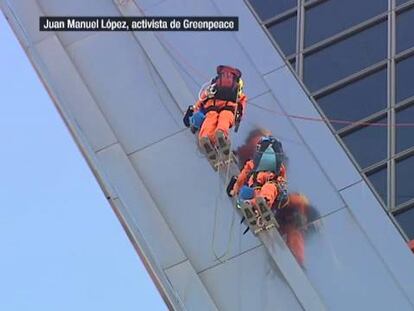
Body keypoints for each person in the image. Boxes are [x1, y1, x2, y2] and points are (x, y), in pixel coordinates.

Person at [185, 65, 247, 158]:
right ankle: (221, 134)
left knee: (210, 120)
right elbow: (242, 105)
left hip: (212, 106)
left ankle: (205, 137)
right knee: (225, 119)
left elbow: (202, 98)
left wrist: (195, 108)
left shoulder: (213, 86)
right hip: (229, 107)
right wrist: (238, 117)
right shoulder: (238, 91)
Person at [230, 136, 287, 212]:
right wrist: (236, 188)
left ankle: (261, 204)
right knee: (264, 190)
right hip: (254, 188)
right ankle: (255, 205)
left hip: (264, 190)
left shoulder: (279, 171)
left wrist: (282, 189)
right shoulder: (252, 164)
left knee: (269, 188)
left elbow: (282, 182)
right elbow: (243, 176)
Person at [276, 193, 309, 266]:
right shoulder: (293, 201)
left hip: (291, 222)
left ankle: (297, 260)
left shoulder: (295, 200)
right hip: (285, 221)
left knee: (294, 236)